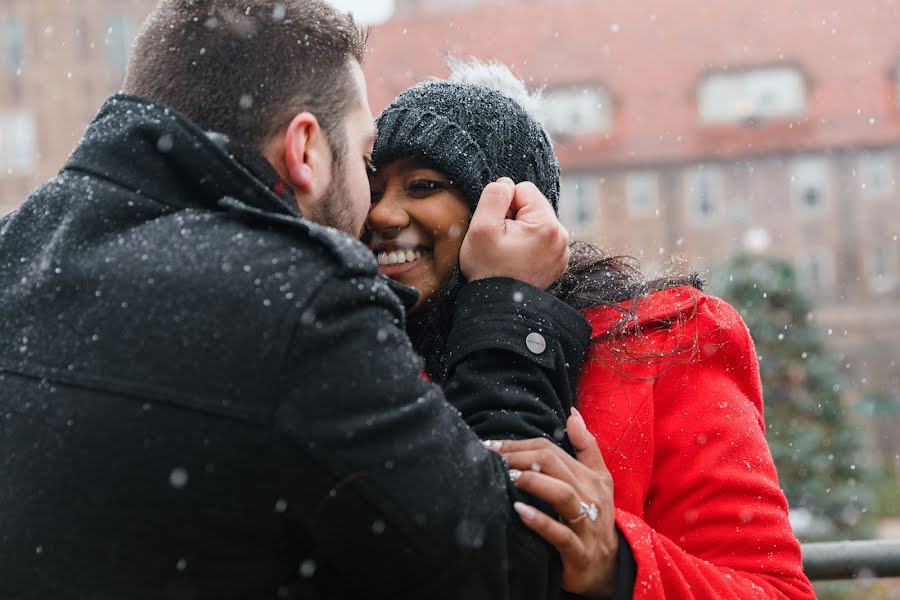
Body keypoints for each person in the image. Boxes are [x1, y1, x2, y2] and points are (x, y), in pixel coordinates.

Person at [0, 3, 592, 599]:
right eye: (364, 160)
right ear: (306, 149)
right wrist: (508, 304)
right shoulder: (302, 303)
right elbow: (510, 563)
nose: (375, 211)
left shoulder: (15, 247)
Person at [366, 60, 816, 599]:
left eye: (423, 185)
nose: (383, 213)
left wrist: (617, 564)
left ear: (513, 208)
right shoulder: (355, 356)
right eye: (370, 187)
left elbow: (774, 591)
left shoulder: (661, 344)